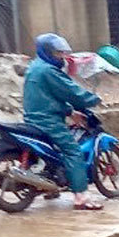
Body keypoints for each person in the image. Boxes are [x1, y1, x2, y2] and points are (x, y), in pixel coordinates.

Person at [24, 33, 103, 210]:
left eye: (61, 53)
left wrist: (69, 111)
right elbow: (71, 91)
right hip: (48, 121)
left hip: (33, 117)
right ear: (47, 52)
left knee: (52, 152)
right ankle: (81, 197)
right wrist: (93, 99)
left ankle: (50, 187)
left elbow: (47, 97)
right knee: (73, 151)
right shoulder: (49, 71)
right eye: (57, 54)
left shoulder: (35, 66)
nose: (61, 57)